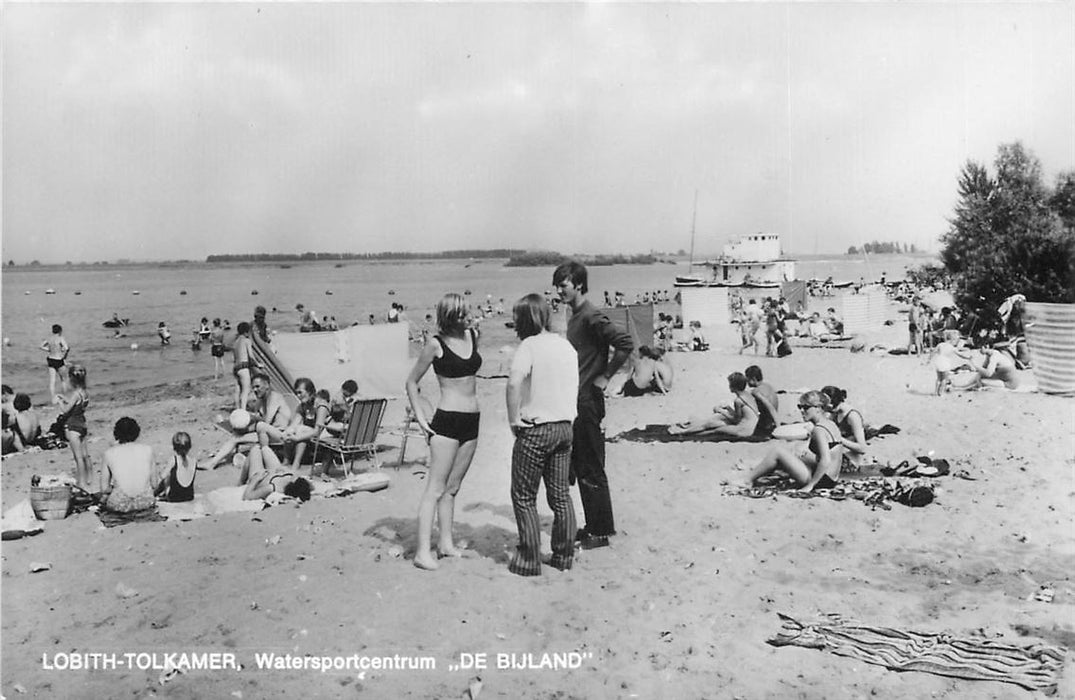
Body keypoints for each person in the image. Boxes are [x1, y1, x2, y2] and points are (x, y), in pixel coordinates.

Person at [554, 261, 633, 549]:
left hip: (588, 399)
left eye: (563, 285)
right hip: (576, 398)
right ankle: (593, 525)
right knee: (580, 463)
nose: (559, 290)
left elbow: (625, 342)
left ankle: (601, 532)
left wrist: (606, 376)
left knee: (591, 466)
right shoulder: (574, 315)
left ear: (578, 284)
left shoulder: (590, 315)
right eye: (557, 285)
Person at [406, 293, 482, 570]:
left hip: (472, 420)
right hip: (447, 421)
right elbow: (411, 382)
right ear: (450, 317)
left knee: (453, 488)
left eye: (467, 313)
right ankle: (421, 552)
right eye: (461, 315)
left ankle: (446, 543)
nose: (467, 317)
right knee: (435, 489)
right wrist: (421, 418)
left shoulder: (473, 335)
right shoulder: (434, 345)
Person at [505, 294, 579, 576]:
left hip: (537, 429)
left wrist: (513, 420)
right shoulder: (566, 346)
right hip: (564, 426)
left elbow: (513, 384)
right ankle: (563, 555)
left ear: (524, 320)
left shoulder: (529, 346)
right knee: (560, 496)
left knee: (524, 496)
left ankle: (529, 558)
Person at [742, 391, 846, 491]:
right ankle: (759, 472)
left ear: (818, 408)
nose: (801, 411)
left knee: (777, 452)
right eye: (800, 407)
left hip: (822, 481)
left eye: (805, 407)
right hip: (831, 479)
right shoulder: (830, 424)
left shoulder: (819, 430)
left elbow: (826, 460)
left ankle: (747, 480)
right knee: (793, 453)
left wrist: (810, 486)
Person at [204, 371, 292, 469]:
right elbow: (257, 418)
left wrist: (249, 427)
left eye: (258, 386)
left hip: (280, 434)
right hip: (266, 433)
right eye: (253, 387)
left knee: (256, 428)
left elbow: (265, 422)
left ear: (267, 385)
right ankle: (212, 463)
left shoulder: (275, 397)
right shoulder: (261, 400)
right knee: (235, 437)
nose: (255, 390)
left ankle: (254, 460)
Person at [256, 377, 329, 470]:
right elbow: (294, 424)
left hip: (321, 439)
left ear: (310, 392)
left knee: (301, 429)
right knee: (292, 430)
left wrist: (296, 437)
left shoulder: (321, 406)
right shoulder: (303, 406)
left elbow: (317, 431)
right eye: (296, 393)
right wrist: (287, 433)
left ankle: (295, 464)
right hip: (307, 437)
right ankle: (285, 461)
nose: (298, 396)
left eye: (300, 392)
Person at [669, 372, 760, 438]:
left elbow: (736, 420)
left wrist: (721, 411)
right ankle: (688, 429)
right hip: (752, 427)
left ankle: (684, 433)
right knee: (715, 422)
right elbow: (740, 416)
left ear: (733, 386)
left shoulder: (738, 400)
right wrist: (727, 409)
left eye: (730, 384)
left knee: (715, 429)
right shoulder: (747, 395)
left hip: (744, 430)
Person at [100, 417, 159, 513]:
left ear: (116, 433)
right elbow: (154, 484)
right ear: (136, 432)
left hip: (120, 505)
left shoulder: (109, 453)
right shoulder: (148, 450)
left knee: (103, 499)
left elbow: (104, 488)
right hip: (145, 502)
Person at [55, 365, 93, 490]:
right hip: (82, 423)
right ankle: (90, 478)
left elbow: (66, 411)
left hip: (73, 426)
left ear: (72, 380)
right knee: (85, 455)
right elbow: (75, 405)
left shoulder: (76, 394)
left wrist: (60, 402)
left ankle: (81, 482)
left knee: (78, 457)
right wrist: (65, 399)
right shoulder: (84, 393)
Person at [240, 443, 312, 502]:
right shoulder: (292, 478)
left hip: (259, 476)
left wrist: (255, 480)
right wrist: (284, 470)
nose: (293, 476)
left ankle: (240, 482)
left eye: (294, 478)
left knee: (255, 449)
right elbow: (311, 486)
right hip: (275, 471)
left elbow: (247, 497)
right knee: (265, 447)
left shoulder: (271, 488)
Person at [820, 385, 868, 469]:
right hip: (837, 454)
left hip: (850, 460)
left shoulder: (852, 416)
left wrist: (839, 439)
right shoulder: (834, 413)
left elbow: (862, 448)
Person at [157, 432, 197, 502]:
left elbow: (162, 477)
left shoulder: (174, 460)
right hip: (189, 496)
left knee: (167, 476)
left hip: (174, 497)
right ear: (190, 446)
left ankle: (157, 494)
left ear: (174, 448)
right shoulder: (194, 460)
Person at [745, 366, 779, 437]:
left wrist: (778, 425)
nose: (747, 383)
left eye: (747, 379)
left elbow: (769, 406)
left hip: (766, 425)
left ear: (753, 379)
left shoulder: (756, 391)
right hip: (771, 422)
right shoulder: (768, 386)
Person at [40, 324, 70, 399]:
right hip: (59, 359)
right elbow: (66, 348)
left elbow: (41, 346)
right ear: (60, 331)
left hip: (50, 359)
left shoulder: (49, 339)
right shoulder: (60, 338)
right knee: (63, 379)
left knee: (52, 381)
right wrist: (64, 356)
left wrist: (49, 350)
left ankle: (53, 398)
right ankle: (64, 396)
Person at [232, 322, 254, 410]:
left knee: (237, 390)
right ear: (247, 331)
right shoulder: (247, 341)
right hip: (244, 367)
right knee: (246, 390)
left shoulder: (236, 342)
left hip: (236, 368)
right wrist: (258, 364)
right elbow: (251, 356)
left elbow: (234, 357)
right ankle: (243, 410)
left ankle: (237, 409)